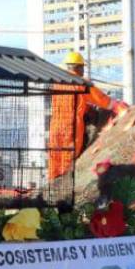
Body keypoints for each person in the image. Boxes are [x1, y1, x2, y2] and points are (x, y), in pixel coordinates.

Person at [47, 51, 111, 180]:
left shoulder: (58, 82)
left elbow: (72, 101)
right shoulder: (80, 82)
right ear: (78, 67)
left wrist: (87, 108)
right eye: (82, 67)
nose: (83, 71)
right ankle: (66, 187)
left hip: (55, 127)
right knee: (69, 159)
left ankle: (52, 185)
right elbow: (103, 100)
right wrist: (115, 105)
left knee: (55, 157)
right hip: (71, 127)